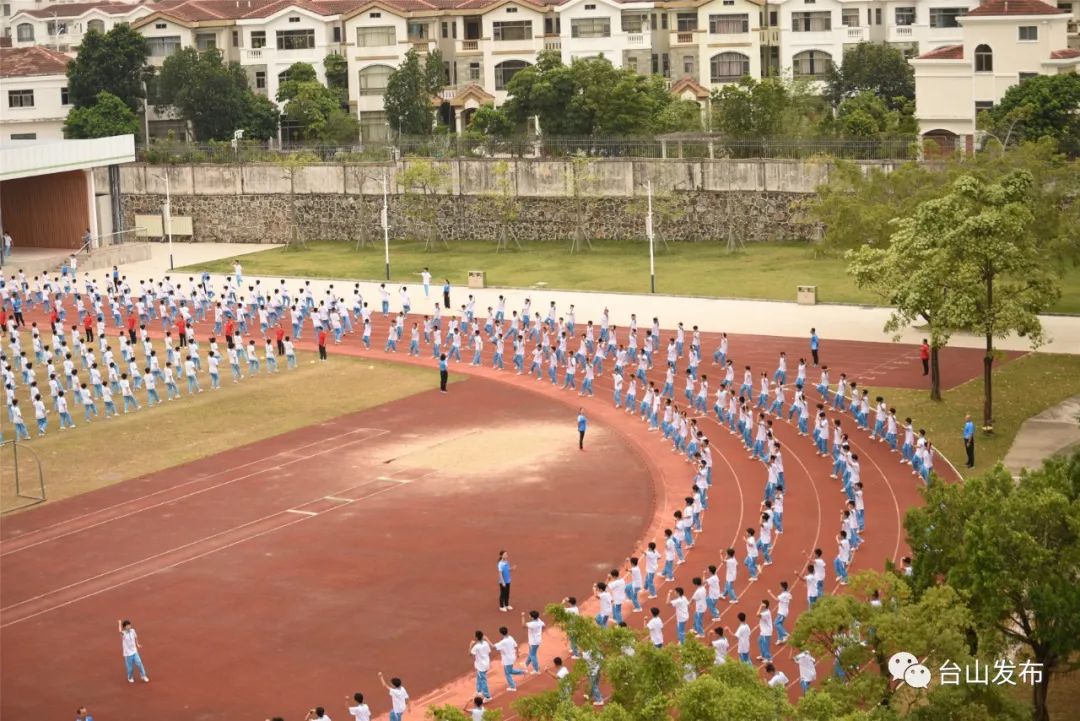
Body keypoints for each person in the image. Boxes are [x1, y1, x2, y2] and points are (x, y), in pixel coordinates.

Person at [117, 619, 149, 683]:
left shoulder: (133, 631)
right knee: (130, 668)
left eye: (129, 625)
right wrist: (119, 623)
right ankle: (130, 677)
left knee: (139, 663)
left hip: (134, 651)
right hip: (128, 654)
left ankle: (143, 675)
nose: (129, 626)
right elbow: (120, 631)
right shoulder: (123, 634)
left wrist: (137, 644)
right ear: (125, 627)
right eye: (127, 626)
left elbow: (135, 637)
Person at [470, 631, 493, 700]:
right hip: (486, 664)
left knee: (483, 680)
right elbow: (489, 651)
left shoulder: (476, 647)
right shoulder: (486, 643)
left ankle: (487, 696)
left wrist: (470, 645)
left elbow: (470, 654)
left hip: (481, 666)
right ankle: (479, 691)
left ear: (476, 637)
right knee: (479, 678)